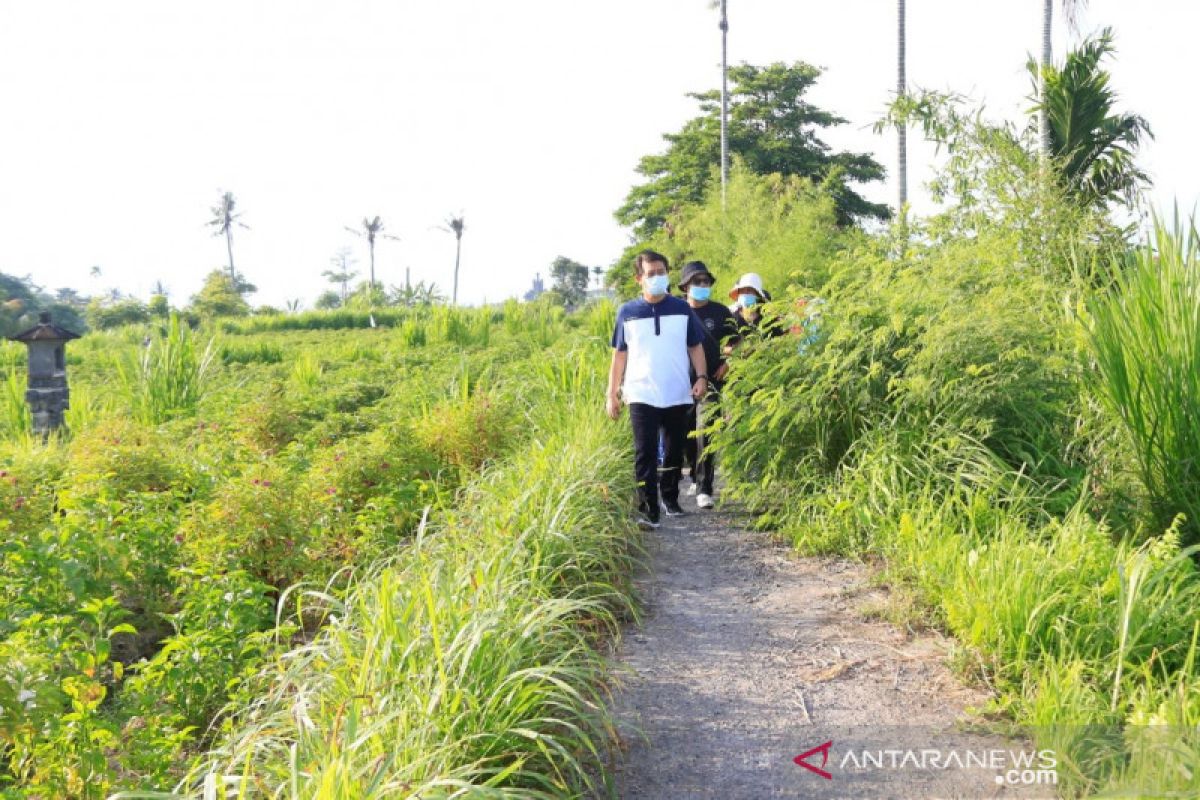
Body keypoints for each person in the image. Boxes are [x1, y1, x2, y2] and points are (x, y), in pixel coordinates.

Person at [607, 250, 708, 528]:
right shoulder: (627, 313)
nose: (657, 278)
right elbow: (619, 355)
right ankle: (648, 510)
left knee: (675, 450)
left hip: (677, 391)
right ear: (639, 278)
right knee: (645, 453)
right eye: (651, 274)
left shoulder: (681, 308)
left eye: (661, 272)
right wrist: (611, 393)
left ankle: (670, 498)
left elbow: (695, 346)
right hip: (640, 393)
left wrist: (701, 377)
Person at [677, 261, 735, 510]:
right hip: (680, 382)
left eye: (705, 282)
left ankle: (705, 488)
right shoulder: (676, 312)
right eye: (696, 282)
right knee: (686, 433)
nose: (702, 286)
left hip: (711, 380)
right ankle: (693, 474)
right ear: (685, 287)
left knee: (706, 428)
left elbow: (738, 338)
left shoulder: (721, 312)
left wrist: (728, 360)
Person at [725, 272, 784, 351]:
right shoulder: (734, 319)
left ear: (756, 295)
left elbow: (780, 339)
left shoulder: (767, 317)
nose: (745, 294)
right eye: (742, 291)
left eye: (749, 290)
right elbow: (727, 348)